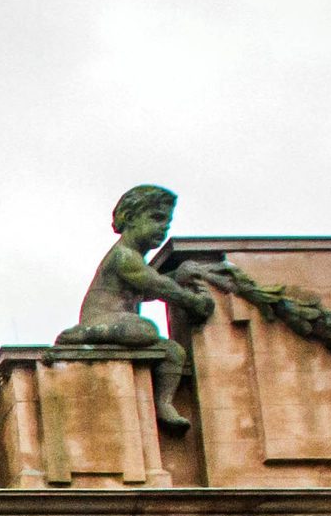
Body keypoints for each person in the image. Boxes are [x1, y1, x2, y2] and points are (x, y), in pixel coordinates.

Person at [57, 183, 219, 434]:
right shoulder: (124, 257)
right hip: (104, 319)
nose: (164, 227)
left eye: (167, 221)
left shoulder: (136, 259)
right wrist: (191, 300)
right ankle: (83, 334)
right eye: (156, 218)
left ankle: (163, 404)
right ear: (131, 218)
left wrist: (179, 274)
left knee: (174, 352)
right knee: (146, 330)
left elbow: (150, 288)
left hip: (124, 321)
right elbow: (156, 285)